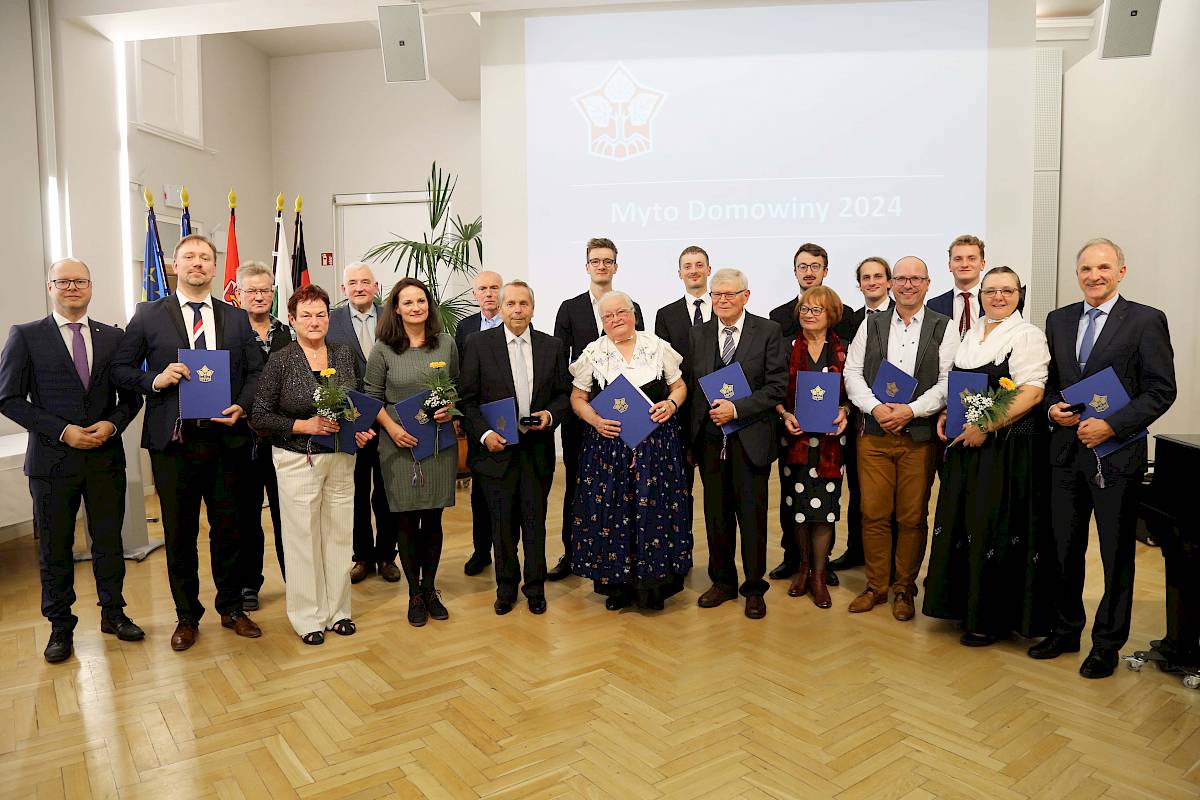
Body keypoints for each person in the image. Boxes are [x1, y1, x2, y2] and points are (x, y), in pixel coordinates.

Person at [1030, 238, 1176, 678]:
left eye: (1104, 268)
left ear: (1121, 272)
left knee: (1115, 555)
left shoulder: (1146, 320)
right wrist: (1051, 409)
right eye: (1086, 269)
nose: (1094, 276)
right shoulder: (1058, 320)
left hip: (1117, 456)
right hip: (1065, 454)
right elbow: (1049, 383)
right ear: (1077, 274)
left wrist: (1113, 426)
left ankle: (1107, 645)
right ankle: (1064, 630)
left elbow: (1161, 390)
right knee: (1063, 549)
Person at [112, 234, 265, 651]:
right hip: (174, 443)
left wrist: (242, 405)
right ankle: (186, 616)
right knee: (179, 534)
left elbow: (256, 372)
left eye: (205, 258)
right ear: (175, 266)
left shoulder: (236, 317)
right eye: (189, 257)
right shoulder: (148, 315)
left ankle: (231, 608)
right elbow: (121, 368)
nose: (198, 263)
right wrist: (156, 379)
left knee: (229, 529)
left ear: (214, 268)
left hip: (226, 440)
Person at [0, 258, 145, 663]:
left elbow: (131, 397)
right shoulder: (26, 336)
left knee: (109, 542)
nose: (72, 287)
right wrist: (63, 430)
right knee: (55, 548)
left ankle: (113, 613)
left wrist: (112, 425)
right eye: (63, 281)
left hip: (104, 458)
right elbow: (8, 398)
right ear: (50, 287)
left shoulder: (113, 337)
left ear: (91, 287)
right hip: (52, 464)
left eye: (80, 281)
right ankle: (60, 627)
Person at [923, 267, 1054, 645]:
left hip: (1007, 449)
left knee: (993, 526)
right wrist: (949, 412)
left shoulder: (1027, 335)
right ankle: (963, 607)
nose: (999, 297)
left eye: (1007, 291)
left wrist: (986, 424)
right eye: (991, 291)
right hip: (969, 446)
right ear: (980, 296)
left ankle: (990, 618)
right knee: (966, 522)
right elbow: (963, 386)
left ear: (1019, 295)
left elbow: (1032, 392)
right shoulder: (972, 332)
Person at [251, 284, 373, 644]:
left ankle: (339, 611)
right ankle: (308, 617)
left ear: (328, 318)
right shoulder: (281, 360)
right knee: (303, 538)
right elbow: (259, 416)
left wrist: (361, 430)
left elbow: (356, 402)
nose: (314, 321)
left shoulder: (343, 354)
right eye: (306, 315)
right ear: (292, 319)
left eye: (321, 314)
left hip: (341, 457)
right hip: (297, 459)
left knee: (339, 534)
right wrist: (305, 425)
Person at [843, 256, 957, 622]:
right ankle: (876, 586)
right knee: (873, 513)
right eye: (902, 279)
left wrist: (911, 410)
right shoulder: (871, 324)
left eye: (916, 279)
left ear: (927, 284)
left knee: (911, 516)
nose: (908, 285)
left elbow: (948, 380)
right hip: (874, 435)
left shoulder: (944, 326)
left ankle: (904, 588)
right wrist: (876, 408)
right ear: (892, 284)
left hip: (918, 437)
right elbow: (852, 373)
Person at [570, 291, 692, 611]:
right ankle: (618, 587)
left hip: (656, 447)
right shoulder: (593, 353)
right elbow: (578, 398)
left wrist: (671, 404)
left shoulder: (657, 346)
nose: (615, 319)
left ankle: (654, 588)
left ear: (633, 314)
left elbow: (679, 386)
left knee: (655, 511)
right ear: (602, 321)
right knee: (613, 513)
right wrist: (595, 421)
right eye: (608, 316)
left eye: (621, 312)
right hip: (608, 448)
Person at [460, 281, 571, 614]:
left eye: (524, 304)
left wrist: (550, 415)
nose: (518, 310)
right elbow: (467, 401)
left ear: (533, 309)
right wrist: (484, 435)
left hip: (536, 452)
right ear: (501, 308)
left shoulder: (552, 346)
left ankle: (535, 589)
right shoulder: (478, 344)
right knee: (502, 526)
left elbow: (564, 395)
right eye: (511, 304)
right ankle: (506, 589)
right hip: (496, 453)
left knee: (535, 524)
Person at [690, 269, 788, 619]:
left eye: (729, 294)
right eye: (716, 295)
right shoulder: (699, 334)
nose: (722, 300)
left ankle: (754, 587)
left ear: (746, 296)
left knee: (752, 517)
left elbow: (777, 387)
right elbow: (693, 387)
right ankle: (723, 582)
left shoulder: (768, 331)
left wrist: (736, 409)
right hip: (710, 441)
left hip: (751, 439)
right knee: (716, 516)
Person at [365, 277, 459, 627]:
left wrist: (450, 409)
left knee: (433, 518)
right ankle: (414, 594)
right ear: (396, 308)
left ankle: (430, 588)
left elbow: (456, 387)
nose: (416, 307)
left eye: (421, 301)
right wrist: (391, 429)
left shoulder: (446, 343)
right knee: (405, 518)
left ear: (428, 306)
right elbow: (371, 397)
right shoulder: (383, 349)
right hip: (398, 444)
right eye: (408, 302)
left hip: (437, 443)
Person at [550, 237, 644, 581]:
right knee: (577, 484)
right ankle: (572, 553)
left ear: (615, 266)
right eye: (595, 261)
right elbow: (560, 364)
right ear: (587, 266)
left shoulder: (630, 306)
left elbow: (640, 359)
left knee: (622, 489)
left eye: (607, 260)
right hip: (583, 415)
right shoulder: (569, 308)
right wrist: (584, 400)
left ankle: (617, 555)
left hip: (625, 416)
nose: (601, 266)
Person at [767, 242, 850, 585]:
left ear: (832, 313)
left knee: (825, 509)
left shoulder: (844, 350)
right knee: (795, 506)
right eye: (805, 309)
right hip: (795, 438)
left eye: (817, 310)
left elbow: (854, 391)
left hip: (831, 441)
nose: (810, 314)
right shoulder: (786, 346)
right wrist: (783, 412)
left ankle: (819, 571)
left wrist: (845, 409)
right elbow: (773, 387)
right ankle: (801, 567)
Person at [326, 262, 399, 585]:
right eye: (352, 282)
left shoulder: (392, 317)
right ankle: (362, 557)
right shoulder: (331, 321)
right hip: (350, 422)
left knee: (386, 491)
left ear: (376, 287)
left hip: (388, 420)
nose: (359, 287)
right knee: (355, 492)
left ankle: (387, 555)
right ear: (344, 289)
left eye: (365, 282)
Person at [829, 257, 895, 573]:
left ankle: (890, 557)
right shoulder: (849, 321)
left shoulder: (903, 316)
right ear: (859, 285)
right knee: (857, 488)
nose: (872, 282)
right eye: (866, 278)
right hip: (857, 417)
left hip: (896, 415)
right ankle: (857, 549)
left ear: (889, 282)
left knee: (891, 494)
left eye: (878, 276)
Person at [236, 260, 293, 608]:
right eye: (251, 291)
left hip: (285, 439)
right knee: (246, 517)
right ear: (238, 293)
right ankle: (248, 584)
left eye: (264, 290)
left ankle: (295, 579)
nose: (259, 296)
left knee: (288, 514)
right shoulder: (228, 333)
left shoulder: (289, 333)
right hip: (243, 440)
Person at [653, 245, 711, 540]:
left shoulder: (724, 308)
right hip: (681, 415)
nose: (694, 271)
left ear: (708, 270)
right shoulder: (666, 315)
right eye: (688, 266)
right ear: (679, 273)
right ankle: (681, 550)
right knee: (679, 491)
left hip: (717, 413)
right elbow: (663, 369)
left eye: (699, 265)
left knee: (717, 495)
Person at [455, 270, 504, 577]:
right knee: (479, 492)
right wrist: (460, 416)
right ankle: (481, 550)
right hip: (476, 417)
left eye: (494, 288)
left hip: (507, 415)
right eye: (483, 288)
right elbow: (460, 374)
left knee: (506, 490)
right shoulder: (465, 327)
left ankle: (505, 551)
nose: (489, 293)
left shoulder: (516, 322)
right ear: (475, 294)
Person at [928, 235, 987, 338]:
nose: (964, 264)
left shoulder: (996, 302)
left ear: (982, 264)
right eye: (958, 259)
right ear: (949, 265)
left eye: (971, 259)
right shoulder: (934, 306)